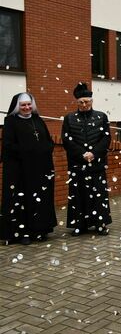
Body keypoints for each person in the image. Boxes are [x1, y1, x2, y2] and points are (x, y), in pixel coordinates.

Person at [0, 93, 57, 245]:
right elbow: (8, 146)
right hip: (21, 171)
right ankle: (22, 232)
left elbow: (47, 140)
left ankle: (40, 230)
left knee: (39, 199)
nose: (26, 107)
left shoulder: (37, 120)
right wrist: (30, 151)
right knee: (22, 200)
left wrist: (47, 148)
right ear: (17, 107)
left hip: (40, 170)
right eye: (23, 105)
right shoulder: (11, 121)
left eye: (28, 104)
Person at [62, 82, 112, 236]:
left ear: (91, 101)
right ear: (76, 102)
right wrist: (82, 154)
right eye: (81, 102)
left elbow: (106, 138)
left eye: (87, 102)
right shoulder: (69, 118)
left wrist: (94, 153)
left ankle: (100, 224)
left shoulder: (102, 117)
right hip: (77, 164)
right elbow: (66, 139)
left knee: (98, 194)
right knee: (78, 195)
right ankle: (79, 225)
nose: (84, 104)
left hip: (96, 164)